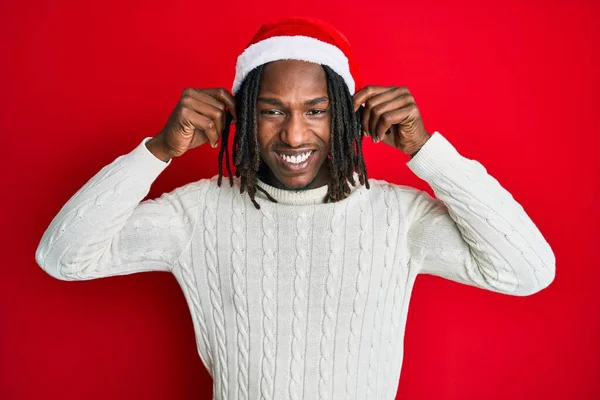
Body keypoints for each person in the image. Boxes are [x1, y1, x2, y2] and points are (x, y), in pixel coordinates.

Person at [35, 16, 555, 400]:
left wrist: (428, 152)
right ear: (240, 114)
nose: (294, 133)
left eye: (316, 110)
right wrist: (158, 151)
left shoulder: (400, 219)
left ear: (347, 117)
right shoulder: (195, 216)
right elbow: (63, 257)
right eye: (271, 110)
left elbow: (528, 269)